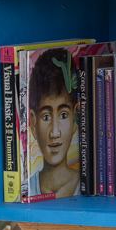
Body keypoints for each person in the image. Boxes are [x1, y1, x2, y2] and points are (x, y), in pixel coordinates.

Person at [28, 48, 81, 198]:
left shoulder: (87, 186)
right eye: (46, 117)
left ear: (75, 117)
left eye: (63, 115)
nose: (55, 132)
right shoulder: (27, 190)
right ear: (33, 122)